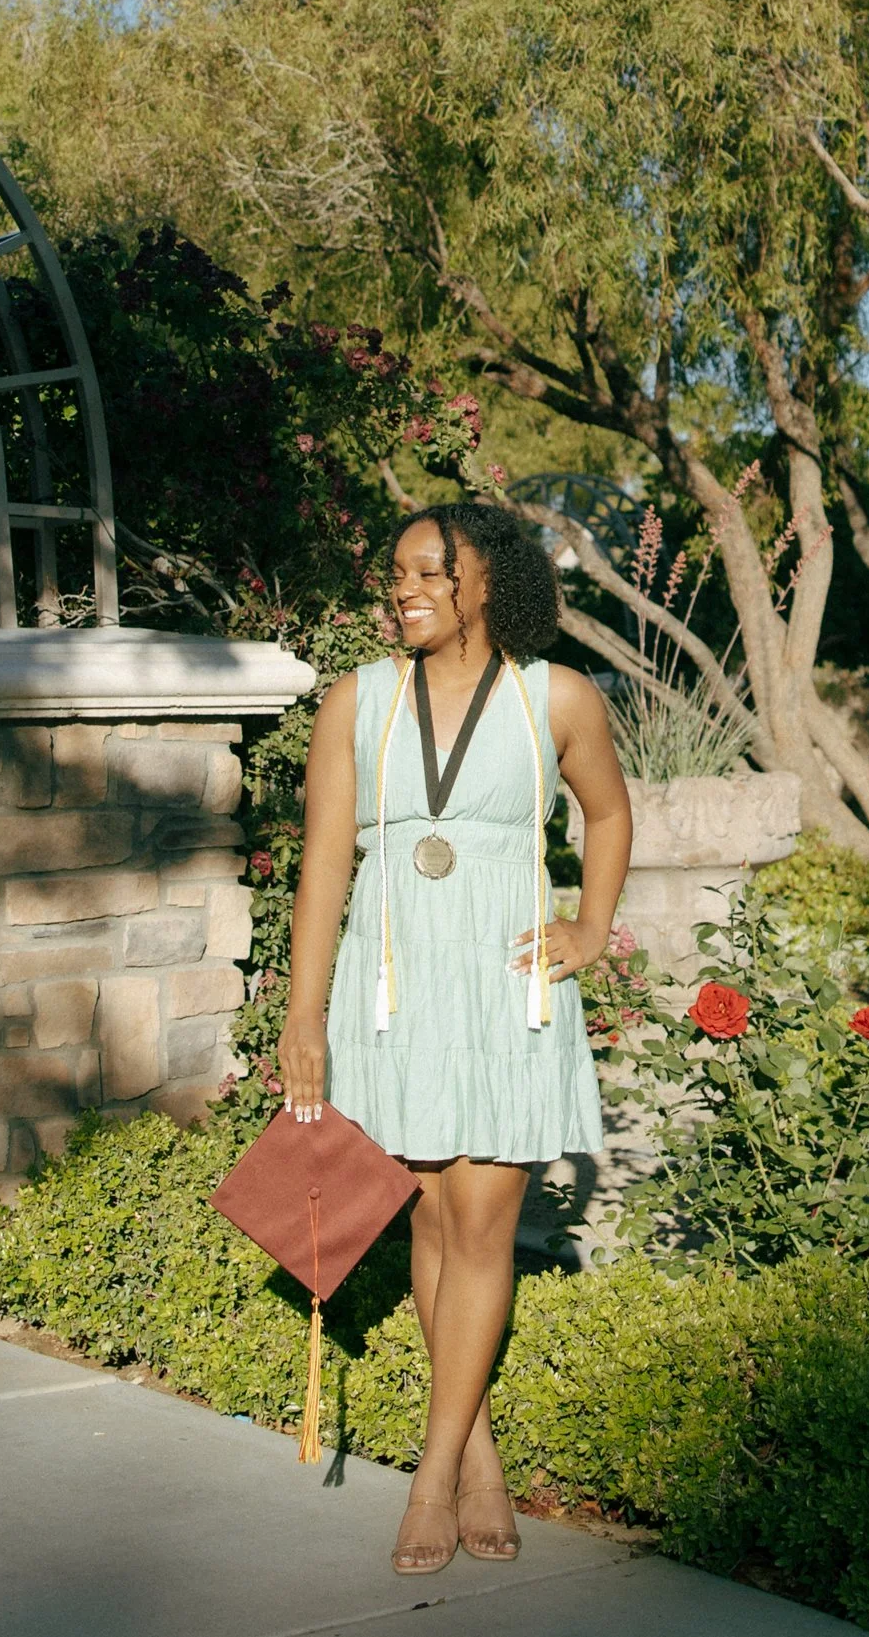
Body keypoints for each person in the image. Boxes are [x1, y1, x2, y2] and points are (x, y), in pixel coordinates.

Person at [278, 501, 633, 1576]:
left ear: (488, 581)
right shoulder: (360, 699)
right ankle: (473, 1452)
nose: (405, 587)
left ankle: (431, 1481)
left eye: (430, 570)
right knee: (431, 1220)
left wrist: (589, 926)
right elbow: (325, 862)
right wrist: (302, 1015)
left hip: (507, 983)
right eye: (396, 571)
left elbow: (607, 817)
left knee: (482, 1224)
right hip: (394, 987)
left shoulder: (554, 697)